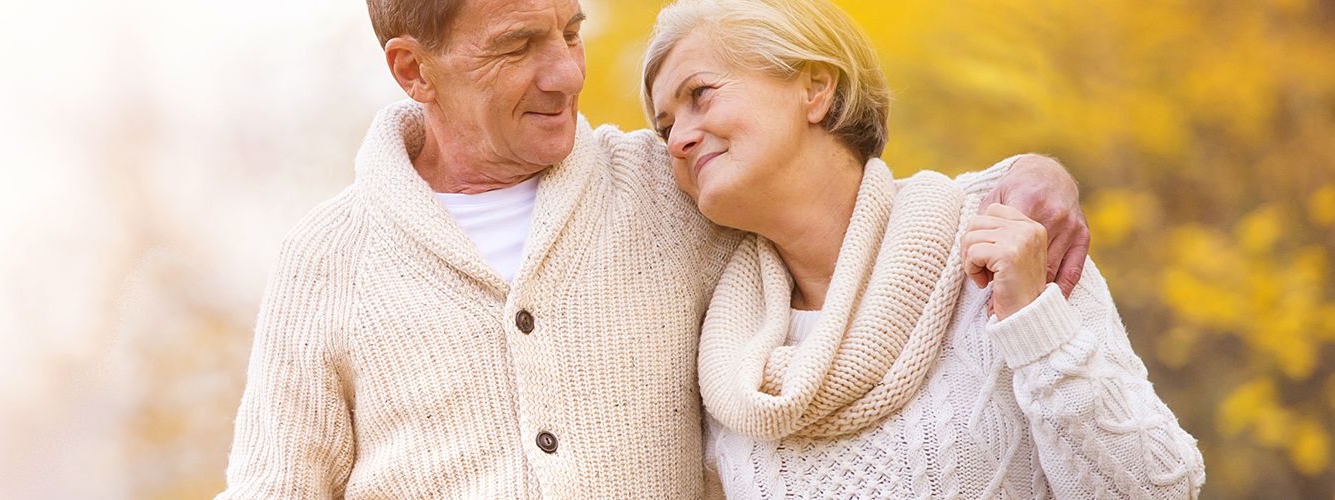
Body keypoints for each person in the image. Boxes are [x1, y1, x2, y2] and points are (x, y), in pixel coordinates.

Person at [220, 0, 1090, 496]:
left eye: (569, 30)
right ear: (414, 70)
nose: (565, 73)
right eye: (519, 48)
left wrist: (1034, 172)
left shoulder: (670, 184)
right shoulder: (325, 263)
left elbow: (858, 202)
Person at [638, 0, 1205, 497]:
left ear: (815, 87)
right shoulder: (725, 358)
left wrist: (1034, 323)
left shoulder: (1003, 236)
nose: (681, 139)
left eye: (700, 95)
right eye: (665, 130)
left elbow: (1157, 488)